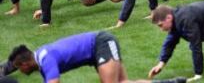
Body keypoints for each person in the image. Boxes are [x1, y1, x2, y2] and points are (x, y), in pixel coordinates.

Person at [9, 31, 186, 83]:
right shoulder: (41, 57)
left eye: (18, 68)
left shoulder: (46, 60)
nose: (20, 72)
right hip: (96, 51)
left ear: (24, 64)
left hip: (101, 43)